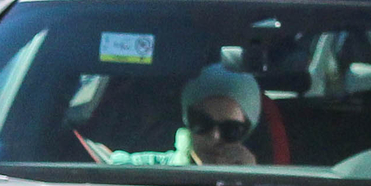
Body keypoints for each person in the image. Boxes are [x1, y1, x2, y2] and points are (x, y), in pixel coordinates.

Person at [84, 64, 260, 167]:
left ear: (246, 131)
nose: (214, 137)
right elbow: (102, 164)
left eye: (230, 129)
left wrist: (251, 179)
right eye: (202, 123)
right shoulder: (152, 169)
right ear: (186, 119)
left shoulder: (268, 185)